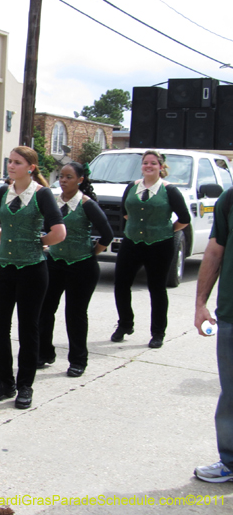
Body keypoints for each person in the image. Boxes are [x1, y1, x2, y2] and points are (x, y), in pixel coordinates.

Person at [0, 146, 66, 410]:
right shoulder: (1, 192)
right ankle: (4, 381)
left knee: (28, 328)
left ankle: (25, 384)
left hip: (32, 268)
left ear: (30, 167)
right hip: (4, 267)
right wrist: (9, 239)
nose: (11, 166)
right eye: (10, 161)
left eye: (17, 162)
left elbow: (59, 231)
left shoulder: (42, 195)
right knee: (0, 328)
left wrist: (37, 243)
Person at [38, 162, 113, 378]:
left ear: (80, 180)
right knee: (45, 310)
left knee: (75, 314)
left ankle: (78, 360)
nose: (63, 180)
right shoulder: (53, 202)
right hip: (55, 263)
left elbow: (107, 234)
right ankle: (44, 353)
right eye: (61, 176)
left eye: (69, 177)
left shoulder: (87, 204)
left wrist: (93, 252)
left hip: (82, 266)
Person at [112, 150, 190, 348]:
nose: (149, 166)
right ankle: (125, 324)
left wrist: (167, 230)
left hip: (159, 245)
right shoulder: (132, 187)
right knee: (121, 284)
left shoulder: (170, 190)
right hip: (131, 242)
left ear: (161, 167)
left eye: (153, 163)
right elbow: (125, 213)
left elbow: (184, 218)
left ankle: (158, 332)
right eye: (145, 162)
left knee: (156, 289)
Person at [193, 186, 233, 483]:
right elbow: (215, 249)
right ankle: (230, 461)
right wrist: (201, 303)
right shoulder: (230, 199)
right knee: (232, 393)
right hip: (232, 312)